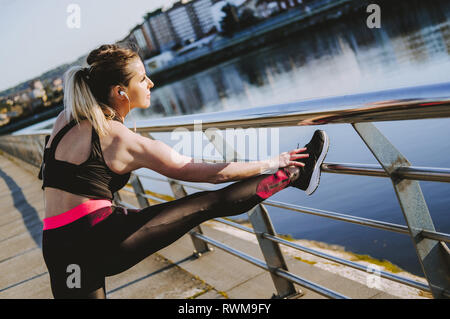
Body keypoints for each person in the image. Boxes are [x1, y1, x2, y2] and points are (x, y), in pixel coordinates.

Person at [38, 44, 329, 299]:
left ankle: (294, 174)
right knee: (205, 203)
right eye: (142, 78)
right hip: (101, 238)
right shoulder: (118, 137)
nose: (150, 83)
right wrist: (273, 162)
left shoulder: (66, 119)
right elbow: (212, 174)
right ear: (120, 91)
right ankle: (294, 174)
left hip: (57, 248)